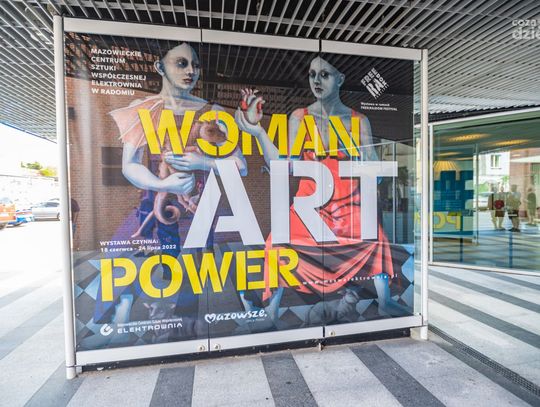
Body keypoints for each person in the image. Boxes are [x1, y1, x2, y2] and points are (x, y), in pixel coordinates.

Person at [236, 56, 409, 318]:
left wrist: (365, 159)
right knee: (276, 244)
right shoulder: (300, 117)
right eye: (312, 74)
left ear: (340, 79)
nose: (316, 80)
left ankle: (384, 301)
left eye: (324, 74)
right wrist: (258, 132)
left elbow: (375, 173)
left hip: (348, 205)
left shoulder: (358, 120)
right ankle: (270, 311)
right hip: (310, 207)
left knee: (376, 239)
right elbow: (284, 166)